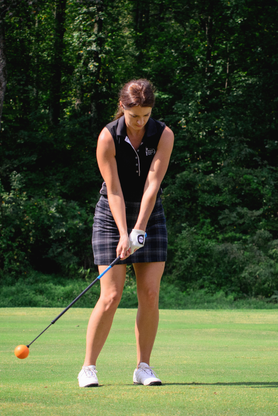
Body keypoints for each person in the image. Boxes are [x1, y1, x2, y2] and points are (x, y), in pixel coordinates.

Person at [78, 79, 174, 387]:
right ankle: (88, 368)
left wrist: (140, 228)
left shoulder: (163, 134)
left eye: (146, 115)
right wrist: (124, 233)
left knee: (149, 293)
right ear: (123, 107)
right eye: (135, 116)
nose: (140, 121)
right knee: (111, 295)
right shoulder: (108, 137)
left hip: (149, 215)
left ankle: (143, 367)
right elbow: (115, 189)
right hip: (111, 214)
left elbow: (153, 184)